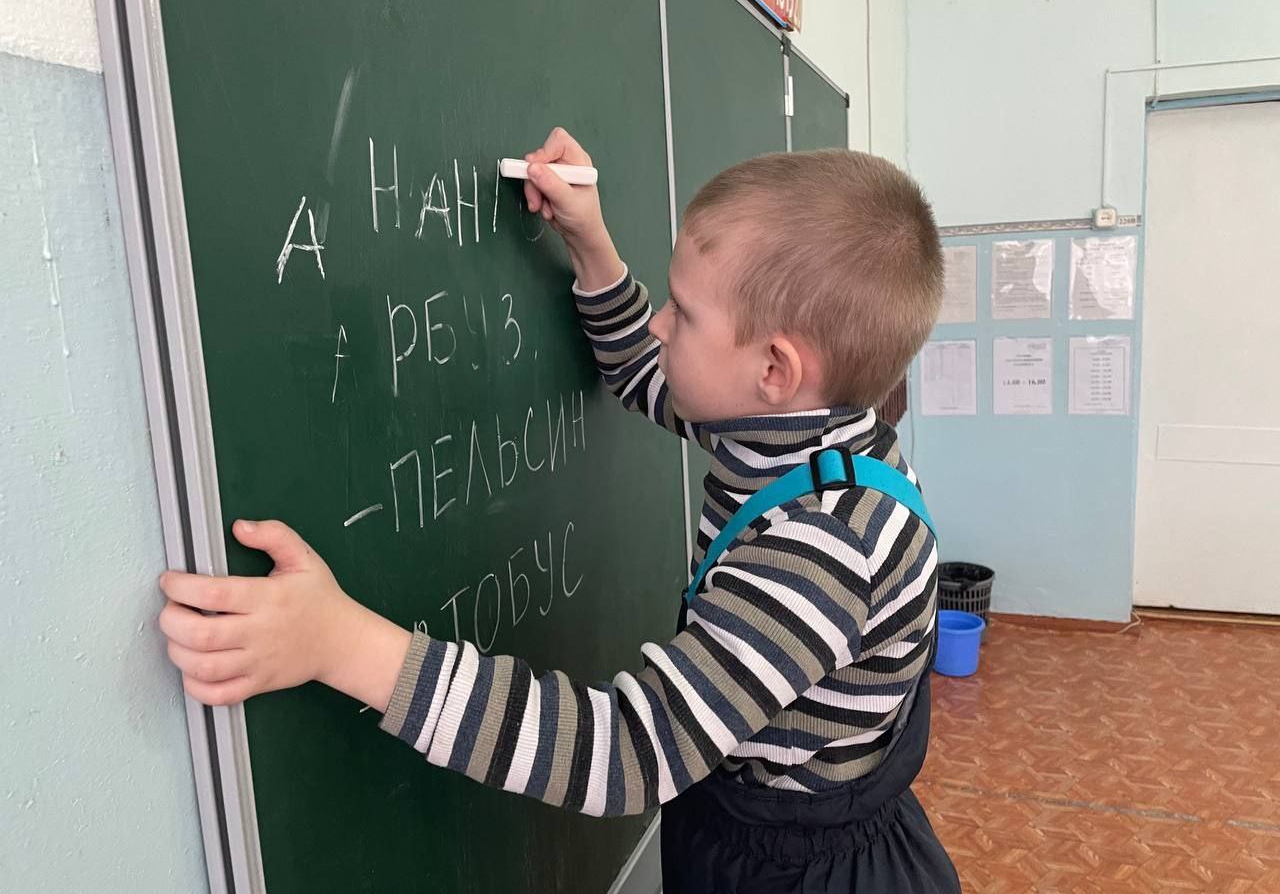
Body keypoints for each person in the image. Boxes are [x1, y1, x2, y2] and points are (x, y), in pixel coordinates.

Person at [160, 128, 959, 892]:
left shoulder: (827, 552)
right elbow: (652, 376)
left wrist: (342, 645)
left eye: (683, 311)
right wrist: (590, 244)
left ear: (777, 369)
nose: (659, 321)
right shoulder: (802, 431)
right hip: (743, 822)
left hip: (808, 871)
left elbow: (628, 754)